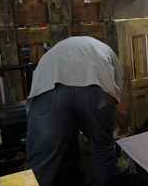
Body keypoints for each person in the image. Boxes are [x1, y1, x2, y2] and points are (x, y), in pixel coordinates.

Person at [24, 36, 128, 186]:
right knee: (102, 146)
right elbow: (122, 109)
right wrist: (123, 130)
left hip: (50, 83)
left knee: (40, 161)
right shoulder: (110, 55)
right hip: (94, 83)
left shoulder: (58, 49)